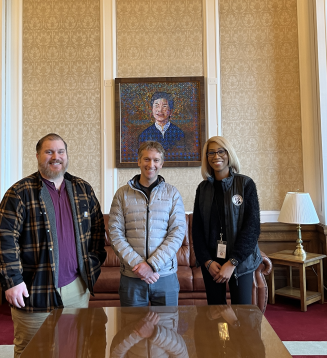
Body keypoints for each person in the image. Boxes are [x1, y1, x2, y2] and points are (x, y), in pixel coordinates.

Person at [0, 133, 107, 358]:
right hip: (34, 290)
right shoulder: (19, 192)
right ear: (38, 156)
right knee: (33, 350)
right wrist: (12, 281)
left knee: (73, 348)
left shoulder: (83, 189)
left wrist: (90, 266)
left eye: (60, 151)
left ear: (66, 155)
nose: (56, 157)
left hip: (76, 288)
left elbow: (97, 233)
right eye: (49, 151)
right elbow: (4, 237)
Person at [109, 140, 186, 307]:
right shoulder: (122, 194)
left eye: (156, 160)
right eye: (146, 159)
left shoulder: (172, 193)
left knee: (167, 331)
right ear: (138, 161)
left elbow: (178, 232)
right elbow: (115, 233)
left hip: (164, 276)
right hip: (132, 276)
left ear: (162, 163)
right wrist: (138, 265)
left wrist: (151, 265)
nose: (151, 164)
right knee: (132, 330)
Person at [192, 136, 261, 305]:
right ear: (206, 157)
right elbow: (197, 229)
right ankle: (222, 333)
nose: (216, 156)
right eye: (211, 153)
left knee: (242, 315)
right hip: (212, 263)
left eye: (221, 151)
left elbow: (252, 228)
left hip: (240, 262)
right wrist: (207, 262)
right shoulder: (203, 188)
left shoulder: (245, 184)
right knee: (216, 315)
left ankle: (237, 332)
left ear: (229, 154)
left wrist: (232, 262)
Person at [138, 92, 185, 158]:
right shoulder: (145, 134)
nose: (160, 110)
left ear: (170, 111)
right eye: (156, 106)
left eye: (164, 106)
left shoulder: (179, 133)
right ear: (152, 109)